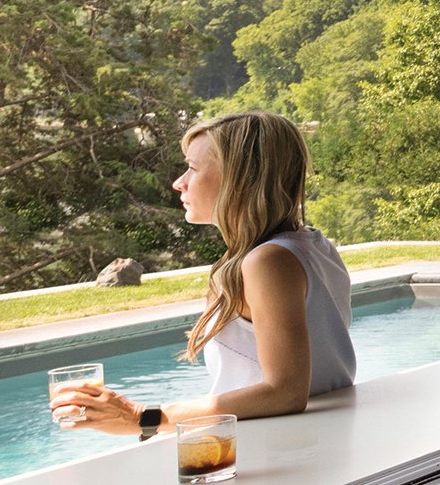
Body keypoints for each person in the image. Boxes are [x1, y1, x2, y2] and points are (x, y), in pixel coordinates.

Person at [50, 111, 356, 436]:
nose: (179, 182)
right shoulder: (313, 245)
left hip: (278, 446)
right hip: (313, 438)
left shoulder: (268, 262)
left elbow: (286, 392)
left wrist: (141, 416)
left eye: (193, 168)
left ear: (240, 180)